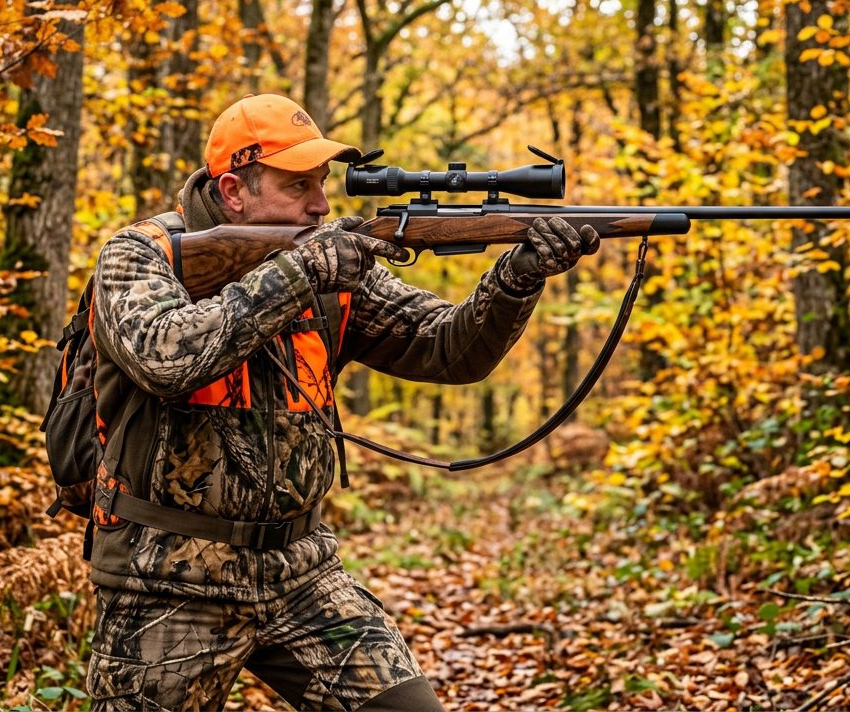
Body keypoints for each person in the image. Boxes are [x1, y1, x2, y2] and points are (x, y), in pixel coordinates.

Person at [84, 93, 598, 711]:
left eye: (322, 182)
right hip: (166, 578)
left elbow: (447, 348)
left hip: (300, 572)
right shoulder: (143, 255)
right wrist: (298, 274)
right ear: (233, 191)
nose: (321, 205)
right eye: (298, 185)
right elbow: (165, 357)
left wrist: (515, 280)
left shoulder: (328, 260)